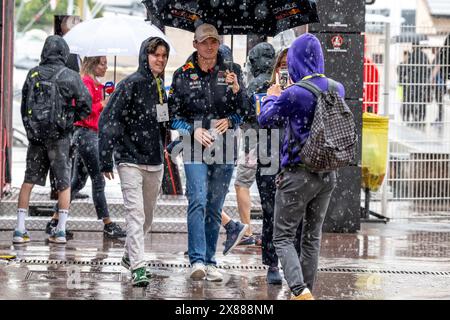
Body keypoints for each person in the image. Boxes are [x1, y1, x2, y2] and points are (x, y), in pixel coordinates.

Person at [259, 33, 343, 300]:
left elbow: (265, 119)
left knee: (282, 236)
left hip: (297, 173)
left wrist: (271, 96)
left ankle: (298, 289)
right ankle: (306, 290)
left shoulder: (294, 93)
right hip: (327, 173)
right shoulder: (336, 87)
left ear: (294, 60)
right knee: (311, 237)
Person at [169, 23, 244, 281]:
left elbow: (246, 112)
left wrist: (232, 113)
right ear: (195, 44)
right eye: (204, 42)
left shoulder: (233, 71)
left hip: (225, 146)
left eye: (213, 41)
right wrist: (191, 130)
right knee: (198, 199)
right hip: (194, 145)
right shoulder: (181, 74)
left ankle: (210, 261)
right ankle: (197, 260)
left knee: (214, 205)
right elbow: (170, 116)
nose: (209, 46)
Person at [99, 36, 170, 287]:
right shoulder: (130, 84)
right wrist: (105, 157)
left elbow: (163, 121)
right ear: (145, 56)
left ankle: (130, 255)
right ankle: (139, 268)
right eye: (155, 55)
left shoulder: (161, 85)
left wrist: (169, 142)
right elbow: (108, 119)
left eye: (163, 55)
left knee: (147, 217)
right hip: (129, 159)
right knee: (135, 215)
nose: (160, 59)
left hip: (155, 160)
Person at [13, 35, 91, 244]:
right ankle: (60, 231)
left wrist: (32, 129)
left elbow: (24, 107)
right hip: (60, 138)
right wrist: (69, 120)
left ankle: (20, 230)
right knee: (64, 184)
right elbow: (87, 105)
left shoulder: (33, 74)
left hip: (36, 138)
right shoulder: (70, 76)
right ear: (63, 53)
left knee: (28, 181)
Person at [47, 56, 126, 240]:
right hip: (86, 136)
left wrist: (107, 100)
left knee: (77, 182)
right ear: (93, 64)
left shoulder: (96, 84)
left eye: (106, 63)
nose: (105, 67)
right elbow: (83, 110)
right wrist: (102, 104)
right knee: (98, 180)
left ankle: (54, 219)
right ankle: (108, 224)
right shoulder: (85, 82)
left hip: (91, 135)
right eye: (102, 63)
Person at [398, 44, 432, 126]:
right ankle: (421, 118)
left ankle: (415, 118)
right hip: (423, 82)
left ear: (413, 47)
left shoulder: (412, 56)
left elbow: (408, 68)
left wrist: (405, 76)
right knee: (422, 101)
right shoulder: (424, 56)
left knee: (412, 100)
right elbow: (428, 69)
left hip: (414, 82)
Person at [431, 34, 450, 123]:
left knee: (439, 101)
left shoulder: (440, 55)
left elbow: (438, 66)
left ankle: (440, 118)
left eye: (434, 48)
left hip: (440, 82)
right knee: (439, 101)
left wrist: (432, 77)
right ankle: (440, 118)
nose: (433, 50)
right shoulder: (440, 55)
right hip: (440, 82)